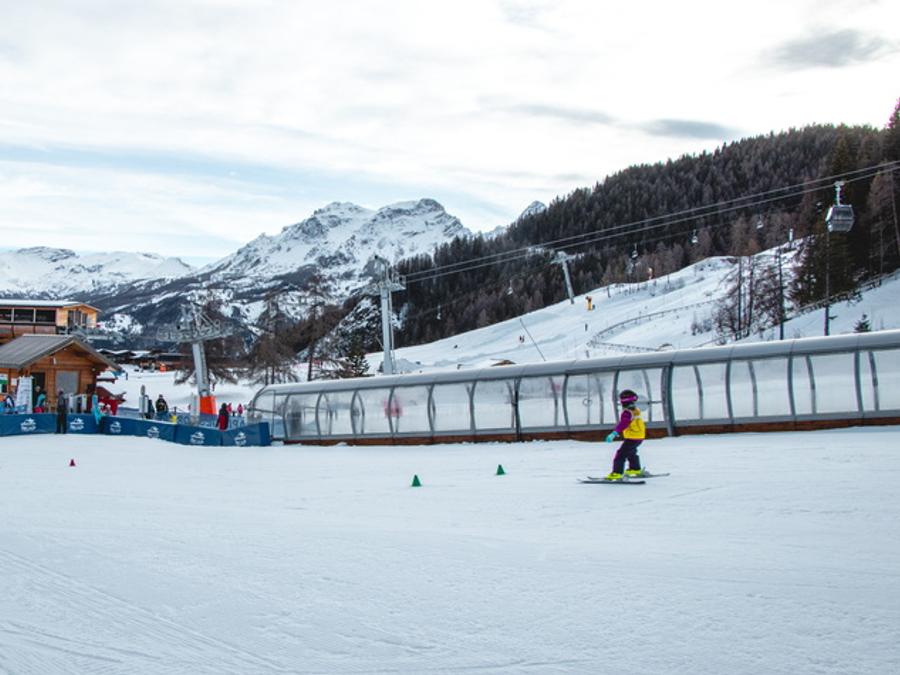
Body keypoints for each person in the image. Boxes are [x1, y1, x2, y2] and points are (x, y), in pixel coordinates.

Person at [604, 389, 647, 481]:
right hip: (639, 436)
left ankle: (617, 473)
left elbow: (623, 423)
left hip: (632, 437)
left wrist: (614, 433)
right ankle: (635, 469)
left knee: (620, 454)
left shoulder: (627, 412)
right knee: (631, 452)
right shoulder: (636, 410)